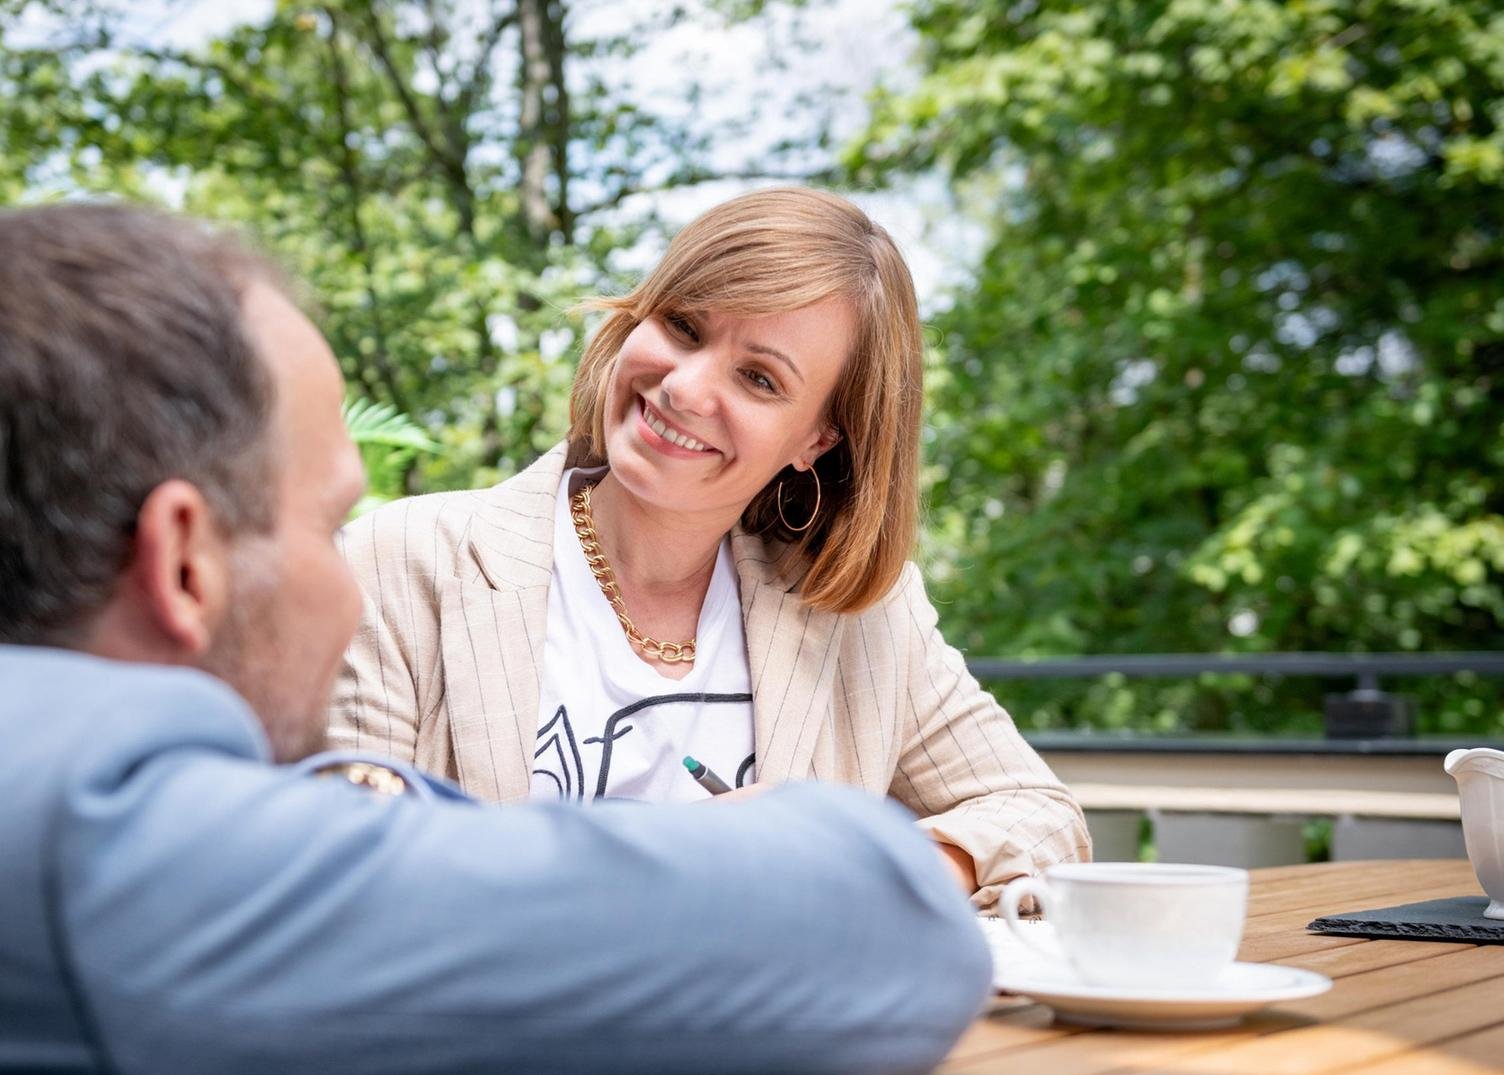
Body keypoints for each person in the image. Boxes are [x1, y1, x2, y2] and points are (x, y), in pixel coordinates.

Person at [0, 203, 992, 1075]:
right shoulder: (114, 866)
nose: (347, 577)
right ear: (183, 560)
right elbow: (881, 928)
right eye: (328, 527)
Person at [332, 187, 1090, 906]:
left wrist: (865, 861)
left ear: (818, 439)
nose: (686, 389)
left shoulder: (860, 617)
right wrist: (667, 854)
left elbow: (1040, 817)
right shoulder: (405, 560)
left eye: (759, 379)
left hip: (769, 1041)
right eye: (684, 328)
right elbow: (345, 863)